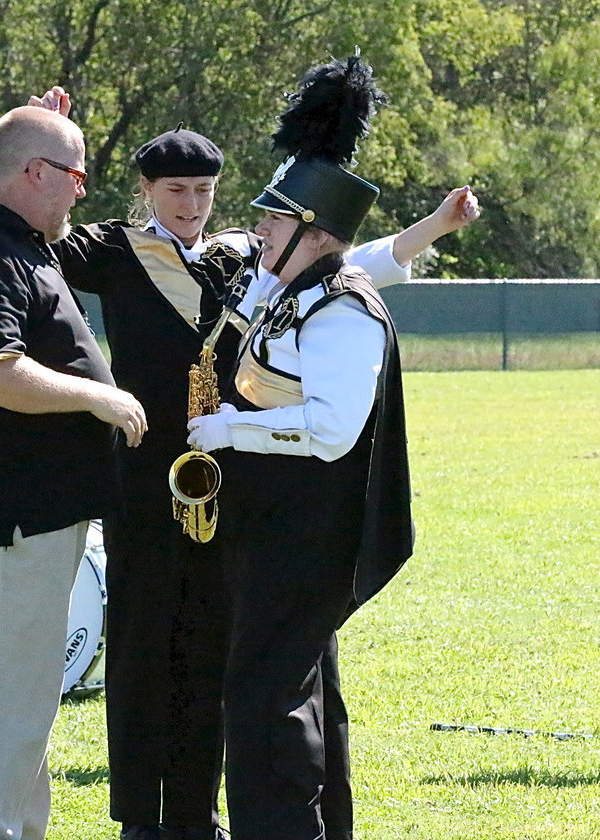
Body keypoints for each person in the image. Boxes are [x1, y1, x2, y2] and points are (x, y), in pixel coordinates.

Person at [29, 84, 478, 840]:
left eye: (205, 191)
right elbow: (32, 229)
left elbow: (349, 262)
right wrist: (51, 142)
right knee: (146, 651)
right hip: (148, 478)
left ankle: (220, 813)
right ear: (145, 190)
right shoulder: (114, 248)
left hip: (236, 485)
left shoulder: (248, 255)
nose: (193, 205)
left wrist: (431, 227)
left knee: (231, 658)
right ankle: (150, 814)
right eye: (176, 191)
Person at [185, 55, 413, 840]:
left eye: (276, 224)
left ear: (315, 234)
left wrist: (228, 430)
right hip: (279, 525)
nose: (260, 233)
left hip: (311, 532)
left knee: (262, 701)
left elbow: (331, 430)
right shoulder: (295, 293)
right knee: (306, 692)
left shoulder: (343, 309)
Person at [0, 105, 145, 840]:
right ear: (37, 174)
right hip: (9, 521)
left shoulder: (7, 234)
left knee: (21, 718)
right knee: (5, 720)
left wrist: (45, 122)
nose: (82, 193)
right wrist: (101, 396)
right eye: (75, 175)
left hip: (26, 518)